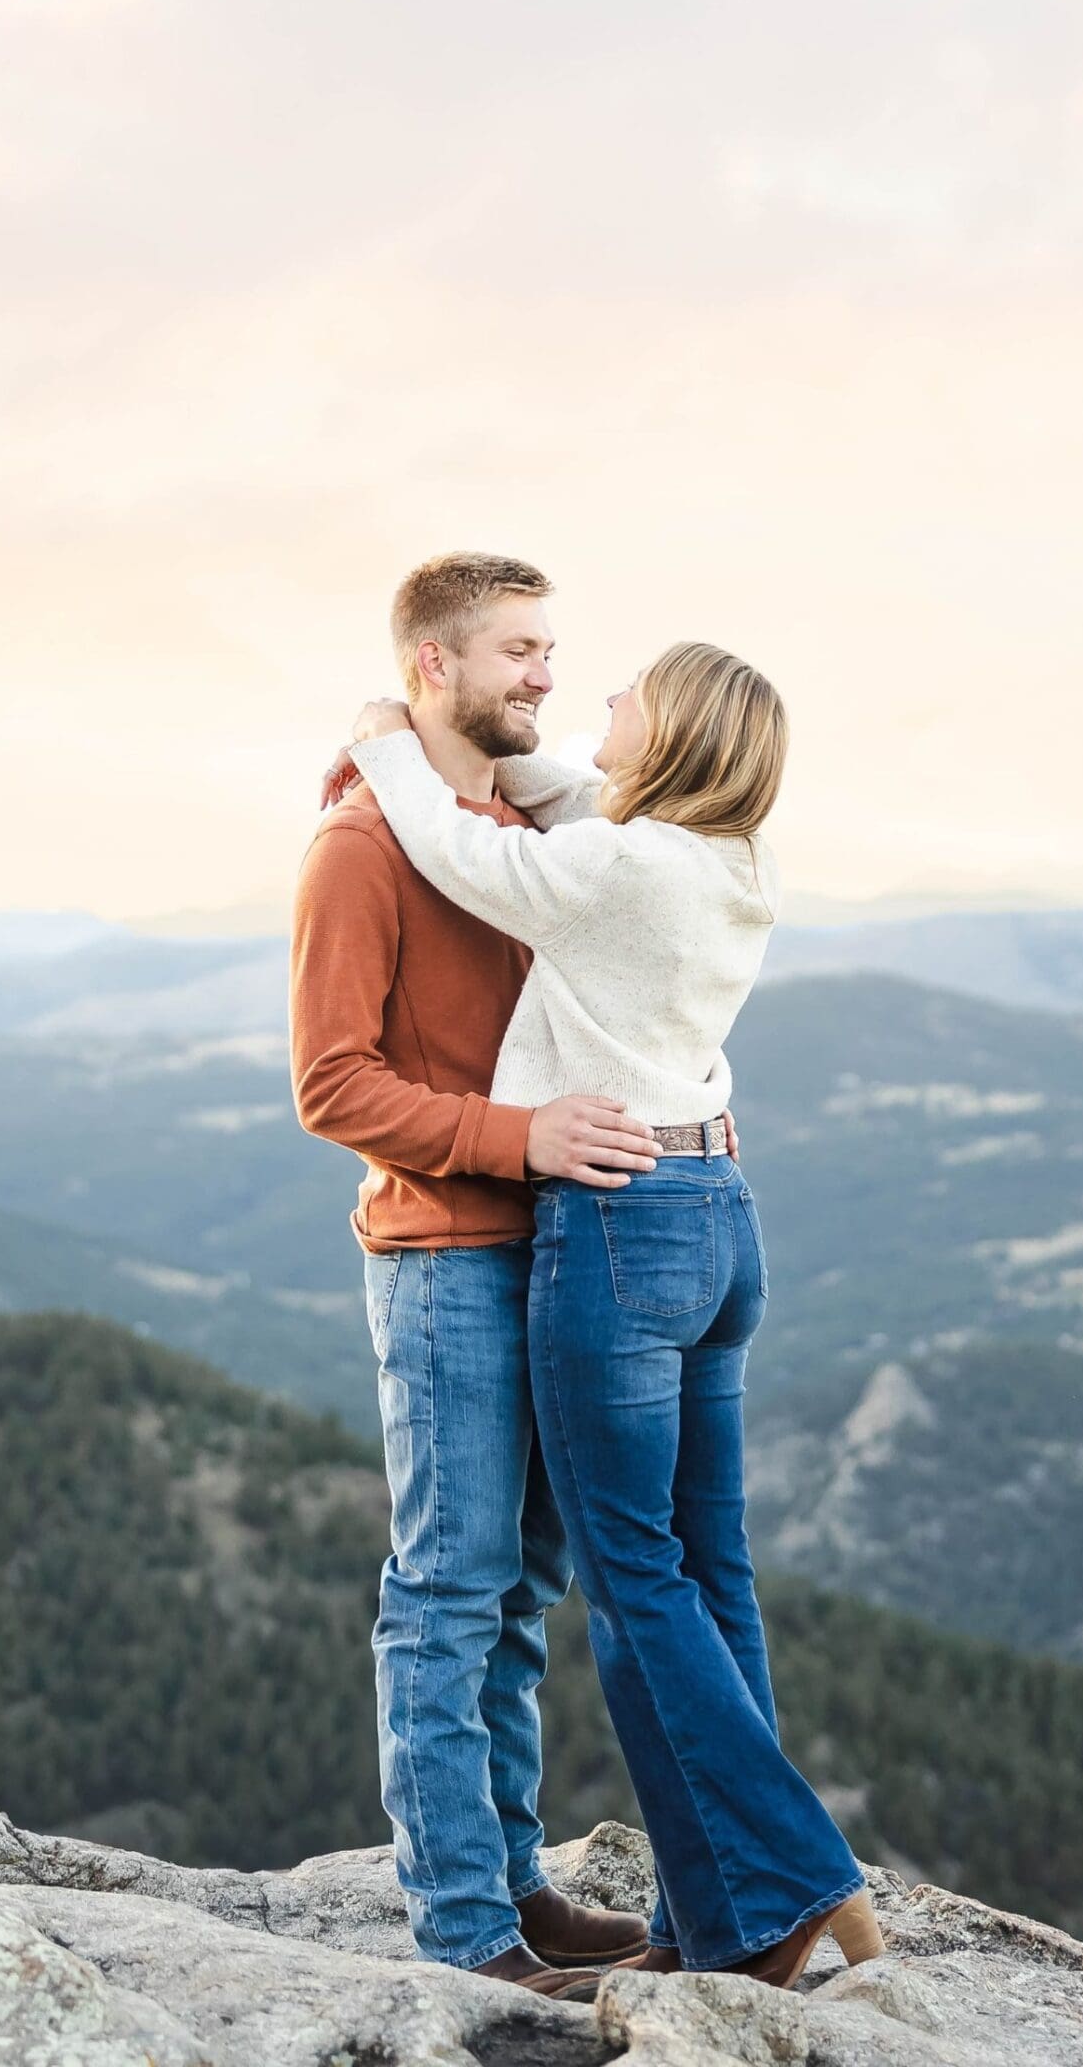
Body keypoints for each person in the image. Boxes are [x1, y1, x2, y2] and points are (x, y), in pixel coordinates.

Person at [337, 642, 884, 1986]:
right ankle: (738, 1909)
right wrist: (479, 741)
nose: (600, 709)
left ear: (679, 731)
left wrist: (390, 741)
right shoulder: (727, 858)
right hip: (716, 1211)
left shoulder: (625, 871)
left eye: (628, 695)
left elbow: (464, 856)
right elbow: (584, 797)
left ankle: (793, 1886)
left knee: (635, 1580)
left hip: (622, 1229)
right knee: (713, 1573)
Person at [289, 552, 655, 1998]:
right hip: (445, 1261)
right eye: (516, 651)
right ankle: (462, 1930)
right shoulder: (362, 848)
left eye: (552, 648)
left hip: (562, 1255)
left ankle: (511, 1879)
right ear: (432, 668)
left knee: (523, 1592)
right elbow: (332, 1085)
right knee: (447, 1590)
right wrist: (523, 1136)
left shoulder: (514, 826)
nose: (544, 674)